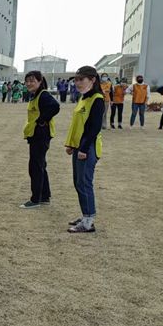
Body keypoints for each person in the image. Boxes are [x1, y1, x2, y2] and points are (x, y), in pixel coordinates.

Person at [64, 66, 104, 233]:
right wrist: (72, 144)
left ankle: (88, 220)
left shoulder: (97, 99)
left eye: (82, 79)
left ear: (92, 80)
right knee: (78, 182)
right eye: (76, 79)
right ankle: (86, 215)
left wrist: (84, 148)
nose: (78, 82)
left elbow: (93, 128)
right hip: (79, 146)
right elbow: (77, 125)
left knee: (84, 183)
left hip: (88, 147)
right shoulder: (83, 98)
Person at [20, 71, 60, 208]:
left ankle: (36, 199)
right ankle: (44, 195)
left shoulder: (43, 95)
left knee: (35, 167)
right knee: (40, 165)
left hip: (41, 134)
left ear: (39, 81)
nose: (29, 83)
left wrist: (42, 120)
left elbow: (55, 106)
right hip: (35, 135)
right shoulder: (35, 96)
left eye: (32, 80)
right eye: (27, 81)